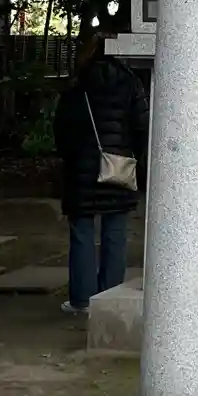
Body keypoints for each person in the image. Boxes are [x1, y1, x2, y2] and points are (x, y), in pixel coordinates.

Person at [53, 34, 149, 316]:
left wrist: (72, 157)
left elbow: (62, 131)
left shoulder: (77, 85)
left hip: (81, 171)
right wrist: (131, 156)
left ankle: (82, 300)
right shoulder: (130, 83)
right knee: (115, 234)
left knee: (82, 234)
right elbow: (142, 127)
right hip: (119, 168)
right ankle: (110, 297)